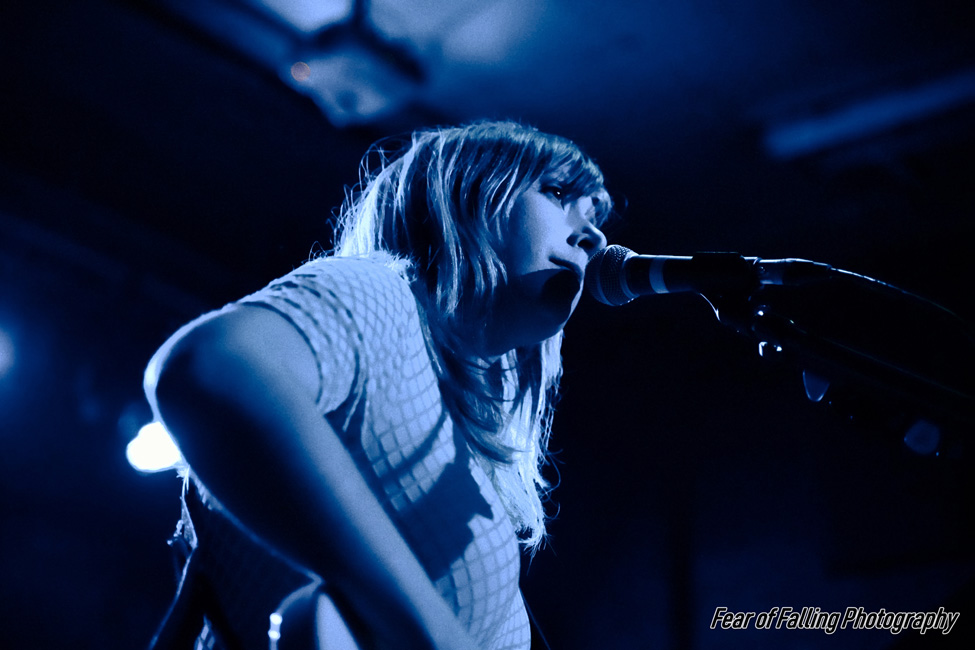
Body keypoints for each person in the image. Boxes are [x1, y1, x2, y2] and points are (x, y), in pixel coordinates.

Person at [144, 120, 612, 650]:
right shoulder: (383, 293)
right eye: (557, 192)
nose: (594, 236)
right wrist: (433, 634)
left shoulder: (461, 443)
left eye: (594, 216)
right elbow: (212, 364)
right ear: (465, 193)